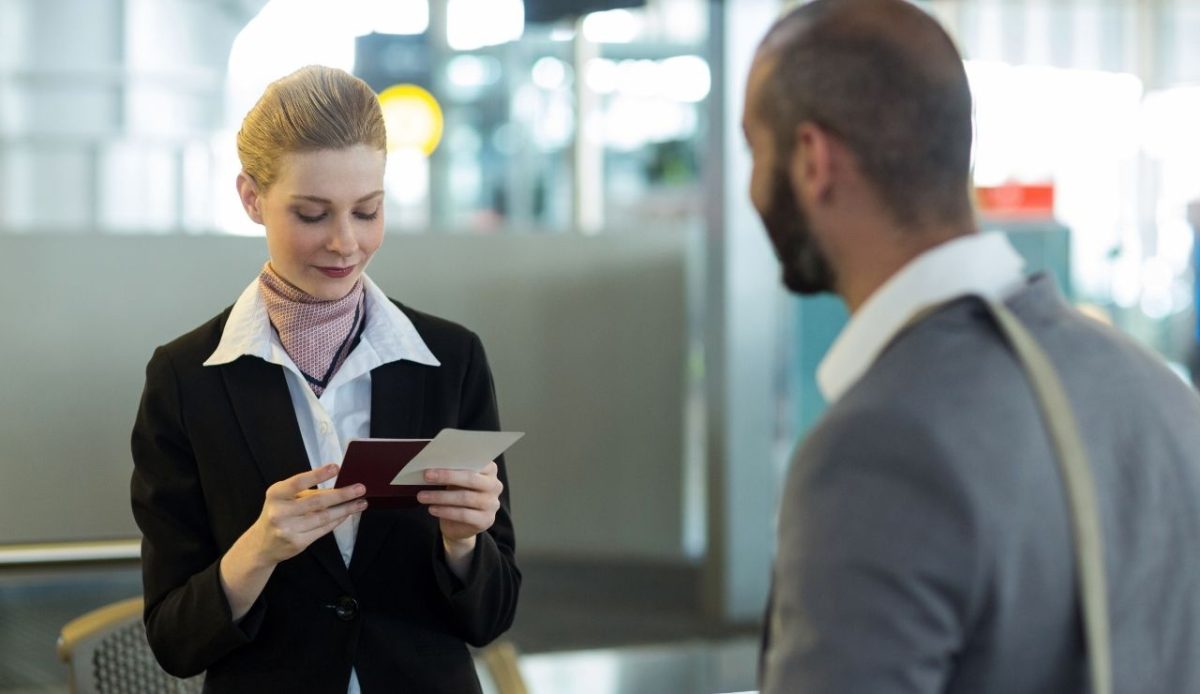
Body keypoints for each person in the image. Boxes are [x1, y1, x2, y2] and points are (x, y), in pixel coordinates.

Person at [742, 1, 1200, 692]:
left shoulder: (878, 447)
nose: (753, 184)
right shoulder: (1154, 391)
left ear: (813, 160)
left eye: (757, 151)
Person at [130, 65, 519, 693]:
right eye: (313, 214)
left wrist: (464, 545)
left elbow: (491, 617)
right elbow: (174, 641)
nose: (345, 242)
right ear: (251, 198)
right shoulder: (184, 380)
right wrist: (258, 548)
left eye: (367, 211)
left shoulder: (452, 360)